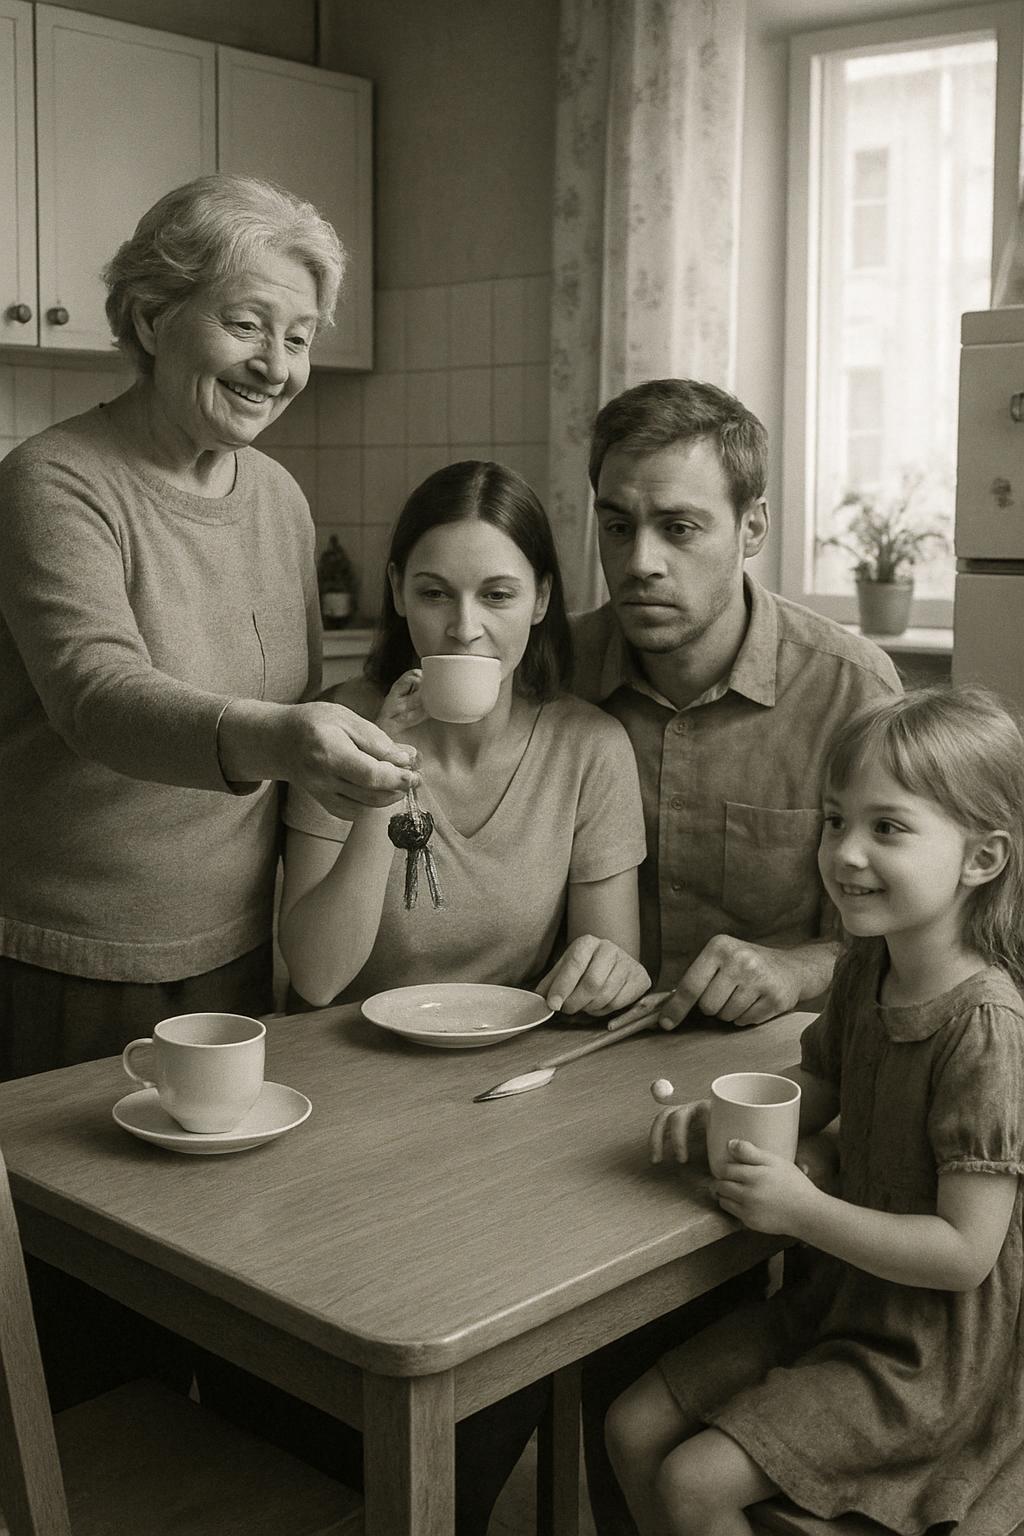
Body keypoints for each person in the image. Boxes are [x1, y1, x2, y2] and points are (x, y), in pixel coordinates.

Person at [0, 174, 416, 1427]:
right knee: (72, 1336)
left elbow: (291, 702)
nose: (277, 364)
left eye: (298, 337)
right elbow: (94, 692)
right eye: (247, 324)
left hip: (233, 969)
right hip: (71, 966)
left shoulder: (279, 500)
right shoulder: (53, 481)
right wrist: (282, 736)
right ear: (148, 312)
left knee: (222, 1293)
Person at [570, 376, 903, 1534]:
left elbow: (901, 933)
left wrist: (793, 967)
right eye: (616, 524)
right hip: (576, 1082)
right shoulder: (557, 670)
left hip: (769, 1091)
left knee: (657, 1382)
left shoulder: (847, 688)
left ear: (751, 531)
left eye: (680, 526)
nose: (641, 560)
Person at [607, 685, 1024, 1536]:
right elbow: (823, 1082)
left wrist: (802, 1209)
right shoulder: (867, 967)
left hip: (930, 1355)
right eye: (836, 821)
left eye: (888, 827)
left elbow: (962, 1255)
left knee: (693, 1484)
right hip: (841, 1295)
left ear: (982, 859)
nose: (846, 853)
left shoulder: (986, 1029)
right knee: (630, 1424)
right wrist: (724, 1120)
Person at [281, 456, 649, 1017]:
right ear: (399, 592)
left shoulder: (590, 748)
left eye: (498, 595)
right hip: (348, 1056)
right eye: (434, 594)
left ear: (541, 601)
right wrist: (382, 773)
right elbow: (315, 978)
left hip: (507, 1052)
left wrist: (608, 977)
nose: (464, 627)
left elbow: (603, 976)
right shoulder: (340, 727)